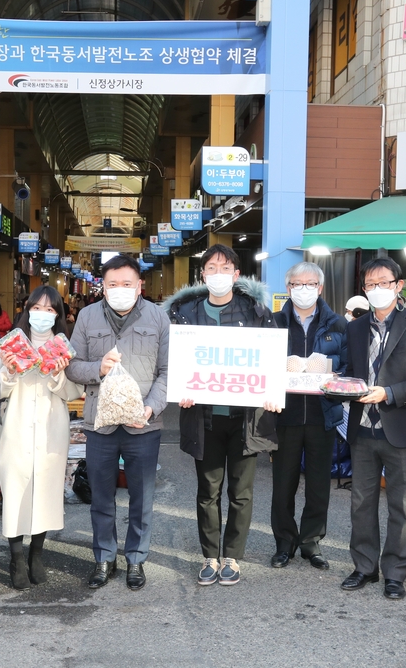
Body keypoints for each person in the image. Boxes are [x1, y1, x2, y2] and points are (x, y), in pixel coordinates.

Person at [164, 244, 281, 587]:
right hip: (205, 419)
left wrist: (272, 392)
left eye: (225, 268)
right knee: (208, 491)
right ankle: (209, 556)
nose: (219, 274)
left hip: (245, 420)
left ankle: (232, 556)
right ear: (202, 274)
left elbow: (272, 357)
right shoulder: (186, 314)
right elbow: (173, 360)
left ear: (237, 275)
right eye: (211, 268)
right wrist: (180, 387)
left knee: (241, 492)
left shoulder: (256, 311)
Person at [66, 254, 170, 592]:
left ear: (140, 285)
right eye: (113, 285)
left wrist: (151, 408)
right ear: (103, 287)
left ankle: (136, 559)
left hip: (143, 425)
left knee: (142, 496)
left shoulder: (158, 317)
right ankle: (104, 557)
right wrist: (99, 368)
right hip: (100, 423)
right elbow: (71, 365)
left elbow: (168, 371)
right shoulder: (86, 316)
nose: (120, 290)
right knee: (101, 495)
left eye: (127, 284)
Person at [340, 258, 406, 600]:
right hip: (362, 429)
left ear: (399, 286)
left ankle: (395, 573)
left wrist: (390, 394)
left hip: (402, 428)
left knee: (402, 504)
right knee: (361, 502)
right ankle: (364, 567)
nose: (376, 290)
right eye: (370, 284)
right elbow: (349, 369)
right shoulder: (354, 328)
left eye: (383, 283)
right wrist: (335, 382)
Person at [0, 287, 83, 589]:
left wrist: (59, 375)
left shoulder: (65, 348)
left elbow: (74, 393)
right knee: (15, 489)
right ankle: (16, 556)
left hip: (51, 427)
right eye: (37, 307)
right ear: (26, 309)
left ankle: (37, 552)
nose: (42, 314)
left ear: (58, 314)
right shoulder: (10, 345)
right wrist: (8, 372)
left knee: (45, 491)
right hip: (16, 426)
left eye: (50, 310)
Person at [270, 262, 347, 570]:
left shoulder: (338, 325)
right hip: (284, 416)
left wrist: (331, 372)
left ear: (320, 287)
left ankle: (311, 542)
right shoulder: (273, 323)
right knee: (282, 483)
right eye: (297, 284)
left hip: (323, 415)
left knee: (318, 484)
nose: (304, 289)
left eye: (310, 283)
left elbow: (348, 368)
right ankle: (284, 543)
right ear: (288, 288)